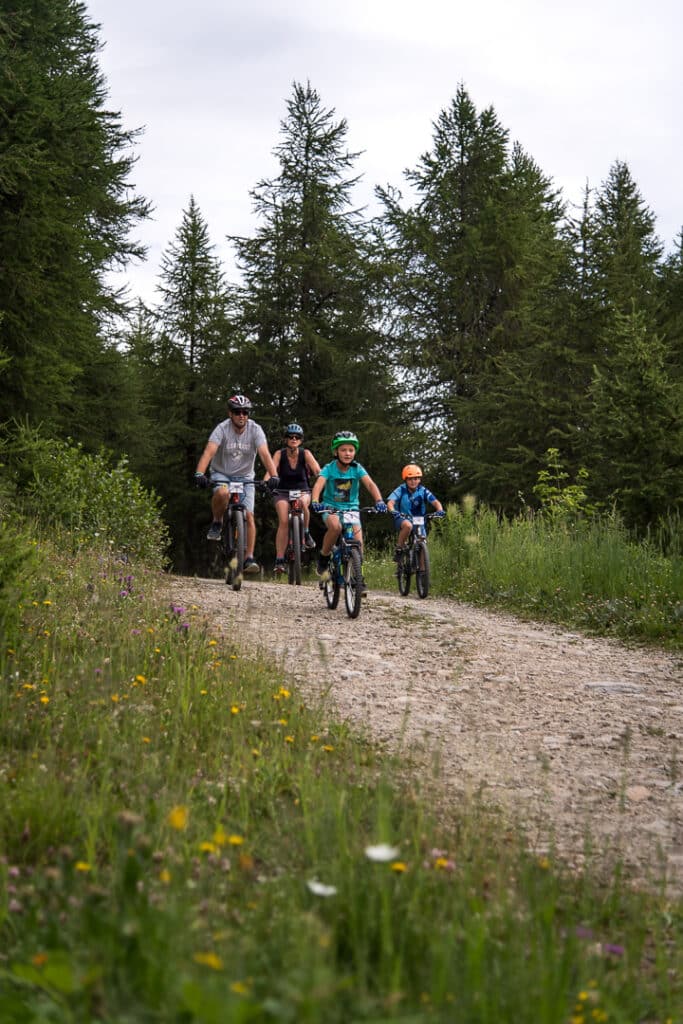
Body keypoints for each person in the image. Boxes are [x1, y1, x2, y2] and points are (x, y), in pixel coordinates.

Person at [194, 394, 279, 574]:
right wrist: (199, 473)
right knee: (223, 494)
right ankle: (217, 521)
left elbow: (264, 454)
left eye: (245, 412)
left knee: (249, 515)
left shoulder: (255, 429)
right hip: (222, 473)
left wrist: (274, 475)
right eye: (237, 412)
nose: (242, 415)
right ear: (230, 413)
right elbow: (209, 452)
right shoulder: (222, 429)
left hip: (245, 477)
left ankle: (248, 557)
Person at [310, 431, 387, 591]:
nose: (347, 453)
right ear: (336, 452)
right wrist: (315, 501)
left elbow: (371, 485)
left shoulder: (357, 468)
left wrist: (379, 500)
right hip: (330, 507)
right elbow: (318, 485)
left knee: (358, 545)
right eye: (343, 450)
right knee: (336, 527)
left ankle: (358, 578)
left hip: (352, 508)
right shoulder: (329, 468)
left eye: (351, 450)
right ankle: (324, 558)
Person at [266, 423, 322, 575]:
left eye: (297, 437)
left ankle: (306, 532)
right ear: (286, 439)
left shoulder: (306, 454)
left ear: (301, 440)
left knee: (304, 503)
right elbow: (271, 471)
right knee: (283, 520)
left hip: (302, 490)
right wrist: (266, 482)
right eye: (290, 437)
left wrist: (323, 477)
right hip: (282, 491)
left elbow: (317, 470)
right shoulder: (279, 454)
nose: (293, 439)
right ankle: (279, 559)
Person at [386, 464, 445, 559]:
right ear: (405, 479)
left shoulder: (423, 490)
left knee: (423, 542)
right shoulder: (401, 489)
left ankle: (422, 572)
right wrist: (393, 511)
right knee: (408, 526)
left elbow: (435, 502)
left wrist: (440, 510)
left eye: (416, 478)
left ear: (419, 479)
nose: (413, 481)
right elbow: (390, 503)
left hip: (419, 519)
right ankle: (399, 548)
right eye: (410, 479)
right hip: (402, 517)